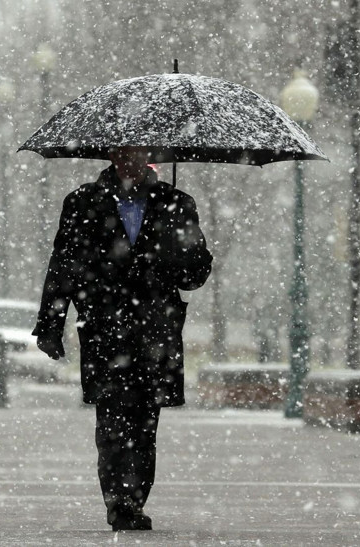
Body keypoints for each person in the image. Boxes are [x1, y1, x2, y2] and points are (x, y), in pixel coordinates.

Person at [33, 148, 213, 532]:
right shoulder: (83, 202)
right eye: (125, 151)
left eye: (141, 151)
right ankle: (120, 503)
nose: (132, 159)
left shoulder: (177, 204)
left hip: (156, 333)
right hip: (105, 330)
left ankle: (134, 498)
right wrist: (50, 322)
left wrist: (182, 250)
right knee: (112, 422)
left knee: (146, 424)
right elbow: (64, 264)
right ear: (112, 154)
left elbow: (195, 276)